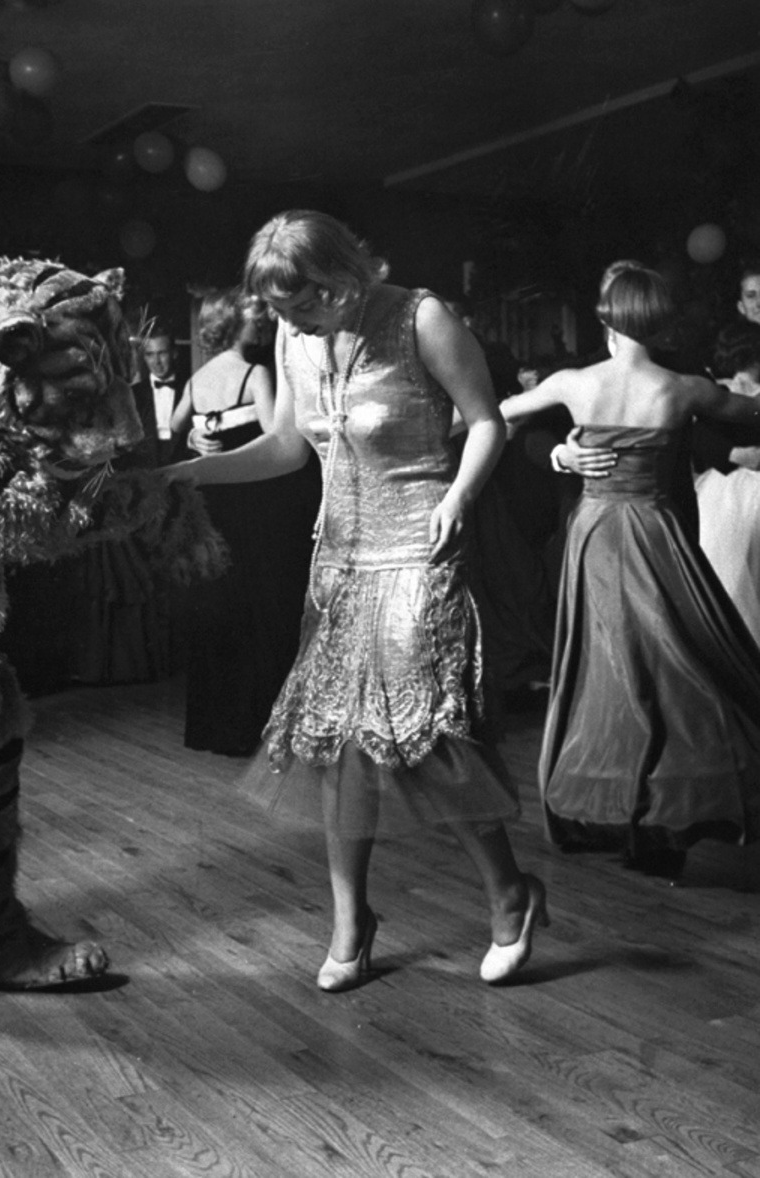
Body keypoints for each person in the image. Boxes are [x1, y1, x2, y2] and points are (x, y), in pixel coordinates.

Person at [168, 211, 547, 989]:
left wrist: (459, 498)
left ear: (340, 279)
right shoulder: (292, 338)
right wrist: (184, 474)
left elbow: (484, 422)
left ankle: (510, 894)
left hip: (419, 547)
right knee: (334, 743)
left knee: (425, 731)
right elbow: (283, 447)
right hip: (336, 560)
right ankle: (351, 922)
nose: (289, 323)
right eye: (276, 311)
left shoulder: (421, 317)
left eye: (300, 304)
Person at [498, 260, 760, 878]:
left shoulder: (573, 380)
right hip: (657, 531)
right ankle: (658, 812)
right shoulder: (682, 387)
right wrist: (562, 452)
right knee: (678, 664)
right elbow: (746, 413)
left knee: (611, 672)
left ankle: (624, 811)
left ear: (606, 315)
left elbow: (501, 412)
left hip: (596, 535)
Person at [169, 287, 317, 756]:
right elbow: (281, 436)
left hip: (212, 503)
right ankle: (256, 723)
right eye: (255, 316)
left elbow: (177, 427)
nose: (262, 323)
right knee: (259, 606)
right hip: (253, 503)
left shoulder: (196, 380)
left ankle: (216, 726)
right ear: (237, 323)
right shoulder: (254, 373)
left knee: (221, 608)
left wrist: (199, 433)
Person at [694, 318, 760, 645]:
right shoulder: (717, 390)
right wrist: (736, 453)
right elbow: (699, 437)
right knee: (732, 579)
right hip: (731, 489)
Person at [132, 323, 187, 466]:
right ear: (144, 357)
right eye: (150, 354)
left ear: (174, 353)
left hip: (184, 464)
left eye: (162, 353)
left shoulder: (190, 389)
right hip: (146, 470)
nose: (156, 362)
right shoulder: (133, 394)